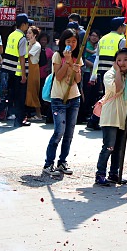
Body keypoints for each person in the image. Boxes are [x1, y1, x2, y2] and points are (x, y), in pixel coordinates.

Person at [95, 48, 127, 186]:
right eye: (119, 60)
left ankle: (114, 174)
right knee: (109, 146)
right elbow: (117, 88)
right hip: (110, 115)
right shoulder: (109, 74)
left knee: (119, 147)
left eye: (126, 60)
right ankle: (100, 174)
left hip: (124, 115)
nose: (122, 63)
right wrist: (117, 72)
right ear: (115, 62)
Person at [43, 28, 83, 177]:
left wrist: (76, 68)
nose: (71, 44)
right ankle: (48, 164)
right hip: (59, 97)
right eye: (68, 41)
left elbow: (77, 81)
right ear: (63, 42)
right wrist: (67, 62)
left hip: (74, 97)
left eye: (74, 41)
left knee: (69, 133)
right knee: (59, 131)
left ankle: (62, 161)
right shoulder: (57, 56)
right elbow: (58, 77)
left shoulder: (78, 57)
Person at [87, 17, 127, 130]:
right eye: (124, 25)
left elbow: (97, 58)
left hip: (103, 73)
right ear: (120, 27)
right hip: (115, 73)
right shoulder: (122, 40)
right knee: (109, 98)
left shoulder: (103, 38)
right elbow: (123, 58)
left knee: (107, 96)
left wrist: (94, 75)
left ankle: (97, 120)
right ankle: (95, 120)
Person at [0, 13, 30, 126]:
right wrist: (23, 75)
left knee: (10, 95)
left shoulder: (11, 35)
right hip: (18, 71)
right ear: (23, 24)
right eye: (27, 24)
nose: (27, 27)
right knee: (19, 97)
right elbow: (22, 57)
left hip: (8, 70)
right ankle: (19, 120)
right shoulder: (22, 38)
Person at [23, 25, 43, 122]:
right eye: (27, 33)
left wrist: (30, 45)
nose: (27, 34)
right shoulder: (27, 43)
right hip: (27, 68)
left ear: (35, 35)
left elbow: (27, 55)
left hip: (33, 69)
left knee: (33, 91)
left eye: (30, 33)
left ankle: (38, 114)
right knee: (27, 90)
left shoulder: (37, 45)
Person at [80, 28, 100, 121]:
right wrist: (93, 65)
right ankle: (83, 114)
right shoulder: (86, 45)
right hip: (87, 73)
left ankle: (89, 112)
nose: (94, 38)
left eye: (96, 36)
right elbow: (83, 59)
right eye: (92, 35)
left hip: (94, 74)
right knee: (86, 94)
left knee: (93, 94)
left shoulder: (98, 46)